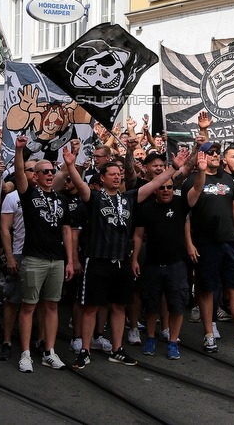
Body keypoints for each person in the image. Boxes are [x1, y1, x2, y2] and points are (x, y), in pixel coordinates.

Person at [61, 144, 189, 369]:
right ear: (102, 178)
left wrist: (174, 168)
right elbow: (80, 184)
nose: (118, 177)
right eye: (112, 174)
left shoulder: (129, 197)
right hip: (97, 259)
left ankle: (117, 349)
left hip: (121, 261)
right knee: (91, 307)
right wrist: (71, 166)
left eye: (119, 174)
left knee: (119, 307)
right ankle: (85, 349)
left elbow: (155, 184)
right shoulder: (94, 197)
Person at [132, 151, 209, 359]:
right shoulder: (145, 209)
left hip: (176, 265)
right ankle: (149, 337)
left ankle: (173, 341)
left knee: (176, 305)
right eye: (162, 187)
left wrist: (201, 171)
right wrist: (134, 259)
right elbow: (138, 236)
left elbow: (197, 189)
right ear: (155, 190)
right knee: (151, 305)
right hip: (152, 264)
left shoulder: (180, 203)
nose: (166, 190)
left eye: (169, 187)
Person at [184, 142, 234, 354]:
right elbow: (187, 211)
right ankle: (209, 335)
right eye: (210, 152)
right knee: (207, 290)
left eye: (217, 152)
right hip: (206, 244)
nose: (214, 155)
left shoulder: (228, 180)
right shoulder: (192, 180)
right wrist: (189, 243)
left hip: (230, 243)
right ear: (202, 157)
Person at [11, 136, 75, 373]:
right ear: (35, 176)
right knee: (28, 306)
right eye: (44, 171)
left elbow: (67, 231)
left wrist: (68, 260)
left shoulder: (62, 199)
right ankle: (26, 353)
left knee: (52, 306)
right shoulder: (28, 195)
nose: (49, 174)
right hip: (34, 258)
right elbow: (19, 173)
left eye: (52, 171)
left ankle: (49, 351)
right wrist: (19, 150)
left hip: (56, 260)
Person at [0, 162, 37, 361]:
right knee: (13, 299)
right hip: (20, 253)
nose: (36, 173)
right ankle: (7, 340)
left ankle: (38, 340)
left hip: (40, 255)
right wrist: (10, 256)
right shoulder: (12, 197)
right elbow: (5, 229)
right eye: (31, 169)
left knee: (37, 301)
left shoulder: (46, 196)